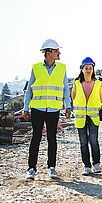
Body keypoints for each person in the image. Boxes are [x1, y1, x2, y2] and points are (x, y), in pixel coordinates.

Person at [23, 39, 71, 180]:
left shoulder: (62, 68)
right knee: (36, 138)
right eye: (56, 51)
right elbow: (29, 90)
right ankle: (31, 168)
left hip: (54, 109)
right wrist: (26, 108)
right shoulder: (36, 68)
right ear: (48, 53)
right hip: (37, 108)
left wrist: (68, 106)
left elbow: (65, 89)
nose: (59, 53)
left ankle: (51, 167)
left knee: (52, 139)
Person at [72, 57, 102, 176]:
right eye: (86, 68)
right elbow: (73, 97)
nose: (88, 70)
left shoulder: (98, 83)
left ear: (93, 69)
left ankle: (96, 164)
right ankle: (86, 166)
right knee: (83, 142)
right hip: (80, 117)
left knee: (93, 140)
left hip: (93, 117)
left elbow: (101, 99)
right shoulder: (76, 83)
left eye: (90, 68)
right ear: (82, 69)